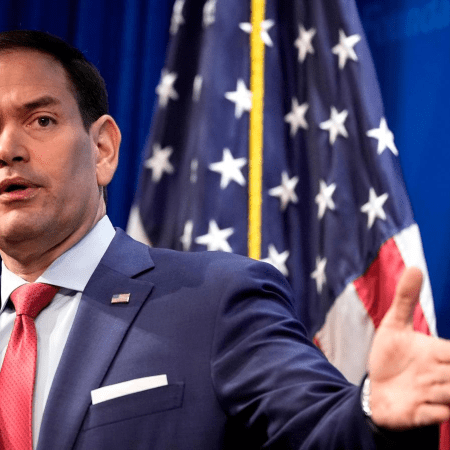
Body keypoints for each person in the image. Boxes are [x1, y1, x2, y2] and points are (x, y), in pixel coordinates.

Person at [0, 29, 446, 450]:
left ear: (103, 149)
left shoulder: (215, 301)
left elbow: (319, 429)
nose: (7, 149)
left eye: (41, 120)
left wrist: (374, 413)